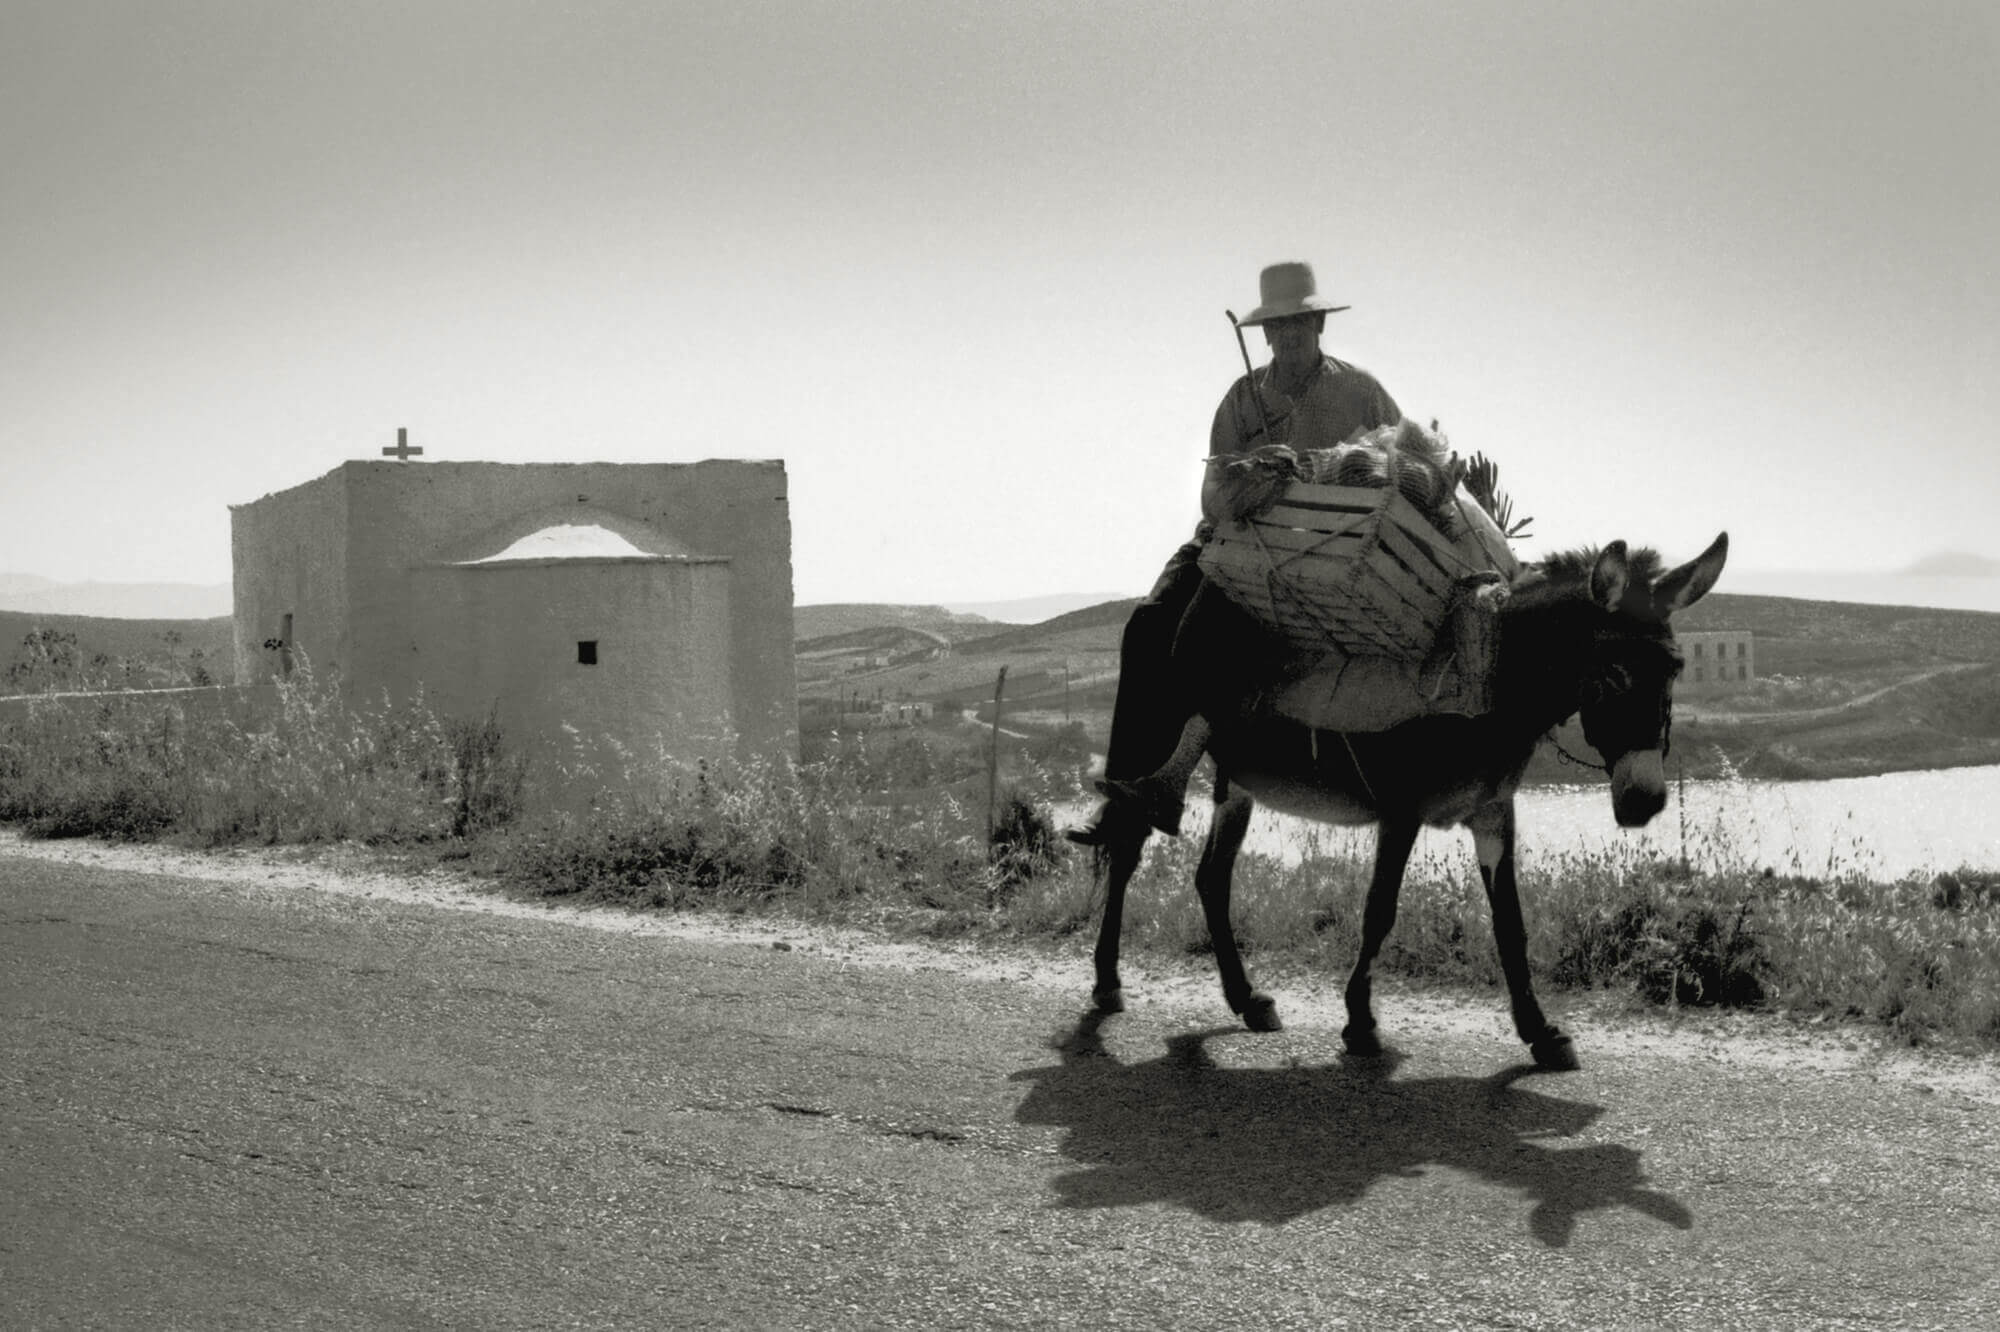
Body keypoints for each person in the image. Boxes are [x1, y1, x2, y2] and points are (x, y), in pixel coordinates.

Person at [1067, 261, 1402, 845]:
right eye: (1278, 327)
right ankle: (1124, 798)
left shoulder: (1361, 391)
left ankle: (1173, 778)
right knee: (1145, 626)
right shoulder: (1244, 399)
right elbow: (1211, 498)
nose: (1289, 336)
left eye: (1300, 324)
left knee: (1198, 639)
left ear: (1319, 323)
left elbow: (1403, 466)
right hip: (1232, 540)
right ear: (1264, 335)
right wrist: (1248, 486)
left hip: (1307, 560)